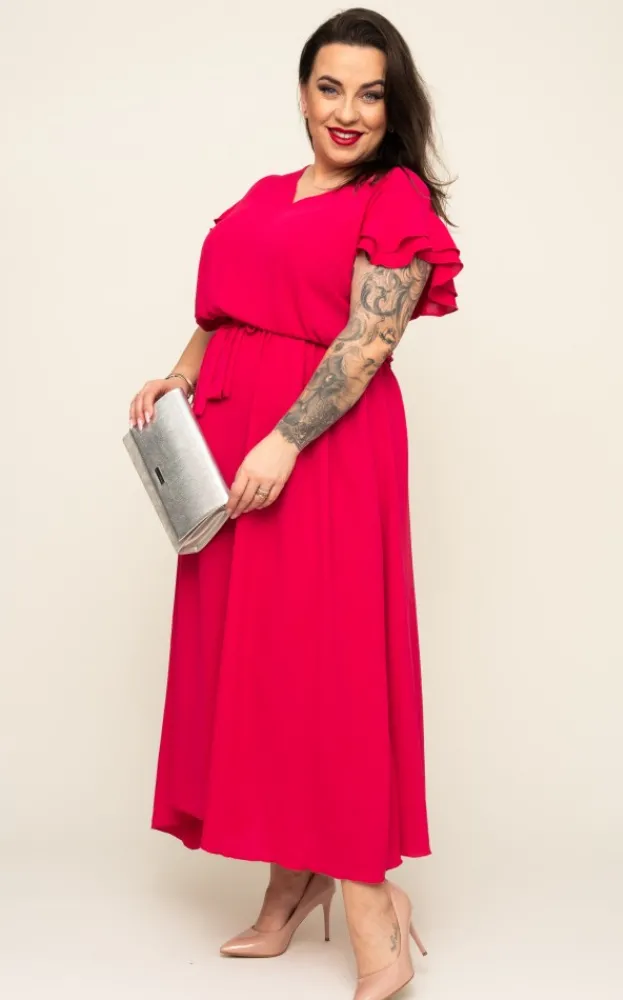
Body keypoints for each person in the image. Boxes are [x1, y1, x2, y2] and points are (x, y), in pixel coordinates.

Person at [129, 8, 462, 999]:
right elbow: (223, 311)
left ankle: (371, 908)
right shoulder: (264, 195)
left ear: (393, 108)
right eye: (330, 87)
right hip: (228, 452)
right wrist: (180, 376)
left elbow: (368, 342)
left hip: (321, 450)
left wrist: (283, 437)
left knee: (329, 669)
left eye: (370, 93)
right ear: (304, 93)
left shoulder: (393, 197)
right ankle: (289, 883)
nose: (348, 111)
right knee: (264, 667)